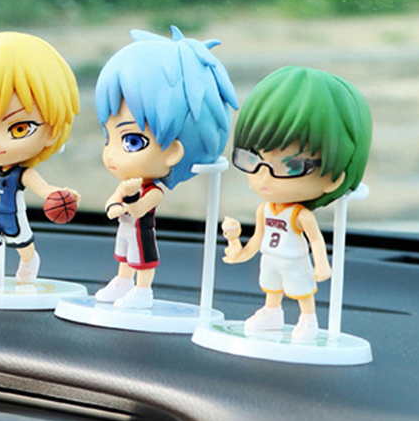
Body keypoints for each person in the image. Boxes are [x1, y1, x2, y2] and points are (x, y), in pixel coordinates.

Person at [221, 65, 372, 341]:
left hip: (294, 260)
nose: (264, 176)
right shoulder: (265, 209)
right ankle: (271, 312)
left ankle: (308, 318)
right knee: (271, 287)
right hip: (270, 258)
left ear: (334, 178)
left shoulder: (300, 216)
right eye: (253, 158)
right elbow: (257, 239)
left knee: (302, 291)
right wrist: (238, 250)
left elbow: (315, 240)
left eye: (292, 166)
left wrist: (321, 264)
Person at [94, 28, 238, 309]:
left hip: (141, 231)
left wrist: (129, 201)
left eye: (131, 141)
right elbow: (114, 200)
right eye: (107, 138)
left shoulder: (153, 189)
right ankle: (122, 281)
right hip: (126, 230)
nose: (111, 155)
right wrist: (114, 205)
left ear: (173, 152)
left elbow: (139, 209)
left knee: (142, 260)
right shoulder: (128, 183)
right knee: (123, 256)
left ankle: (142, 290)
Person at [0, 31, 80, 287]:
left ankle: (30, 260)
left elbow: (43, 188)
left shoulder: (22, 173)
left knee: (22, 241)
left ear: (51, 131)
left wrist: (58, 194)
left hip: (12, 213)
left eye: (19, 129)